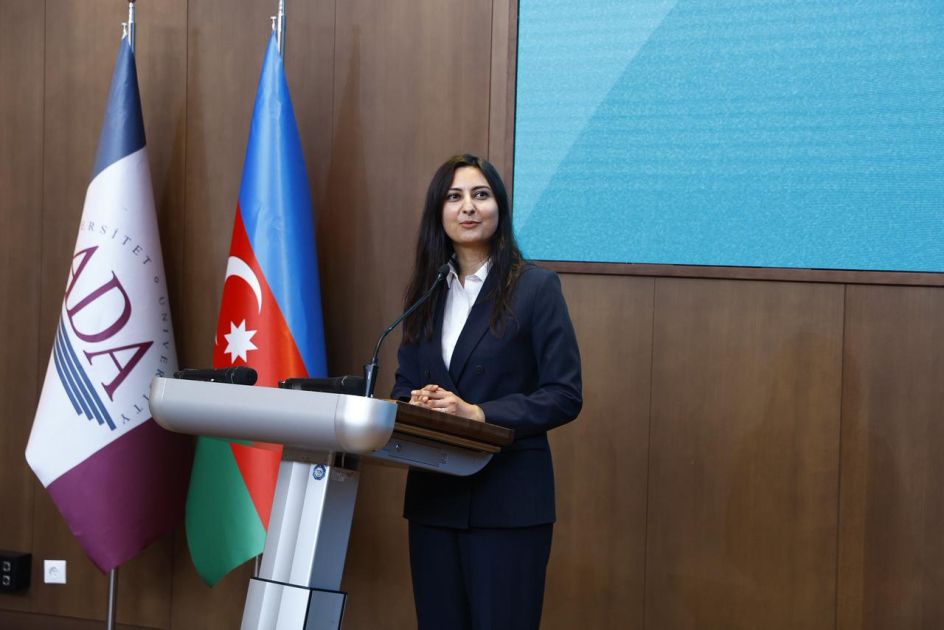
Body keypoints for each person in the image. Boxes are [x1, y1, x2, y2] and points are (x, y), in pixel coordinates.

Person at [392, 154, 582, 630]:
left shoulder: (536, 288)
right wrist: (416, 404)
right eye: (454, 197)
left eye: (481, 195)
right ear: (438, 212)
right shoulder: (425, 293)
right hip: (435, 503)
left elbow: (564, 393)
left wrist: (479, 414)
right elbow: (403, 387)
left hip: (508, 505)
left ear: (500, 208)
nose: (468, 207)